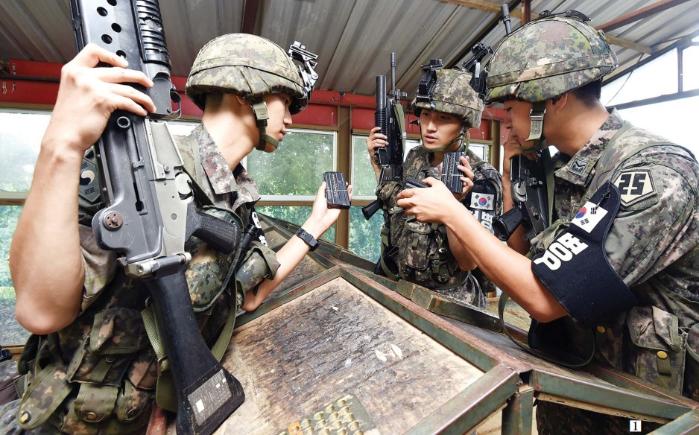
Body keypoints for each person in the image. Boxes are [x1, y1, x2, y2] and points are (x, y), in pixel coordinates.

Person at [2, 33, 348, 434]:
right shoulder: (132, 171)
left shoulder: (235, 197)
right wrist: (61, 146)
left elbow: (247, 294)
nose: (290, 119)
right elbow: (39, 311)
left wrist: (316, 223)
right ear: (245, 93)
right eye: (285, 102)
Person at [396, 11, 699, 433]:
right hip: (575, 389)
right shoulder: (560, 171)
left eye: (513, 105)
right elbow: (518, 256)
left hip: (651, 409)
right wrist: (512, 179)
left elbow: (543, 295)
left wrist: (452, 213)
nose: (507, 118)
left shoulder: (653, 174)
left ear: (553, 99)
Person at [367, 65, 502, 308]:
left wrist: (456, 204)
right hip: (405, 291)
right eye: (425, 115)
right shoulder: (416, 157)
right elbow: (396, 210)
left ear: (463, 124)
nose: (429, 126)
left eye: (443, 119)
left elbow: (467, 263)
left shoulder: (481, 179)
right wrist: (379, 166)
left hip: (451, 304)